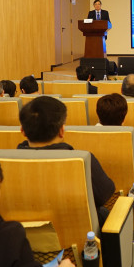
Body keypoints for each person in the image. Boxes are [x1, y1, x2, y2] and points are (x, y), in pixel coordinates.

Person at [17, 96, 115, 228]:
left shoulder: (3, 163)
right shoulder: (82, 160)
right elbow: (105, 194)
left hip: (23, 235)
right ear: (62, 131)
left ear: (22, 131)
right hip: (78, 236)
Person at [96, 93, 134, 179]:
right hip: (129, 186)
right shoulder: (129, 139)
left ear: (98, 116)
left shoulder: (85, 137)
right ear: (124, 119)